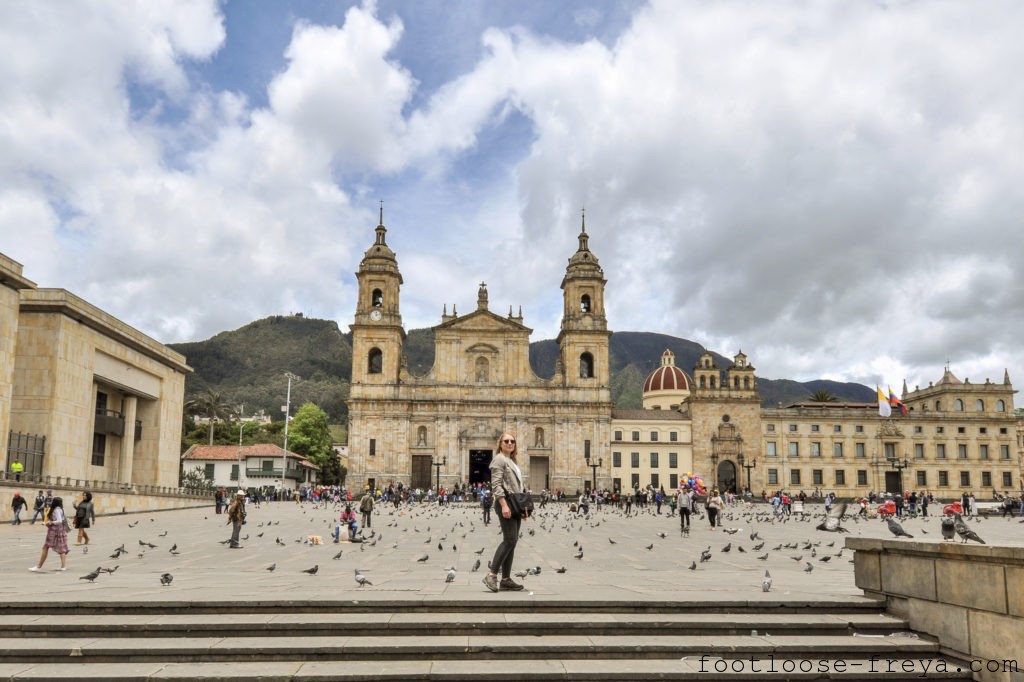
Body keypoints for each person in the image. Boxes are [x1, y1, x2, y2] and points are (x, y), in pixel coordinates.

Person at [483, 432, 527, 592]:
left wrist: (522, 507)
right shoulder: (499, 459)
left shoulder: (511, 461)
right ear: (500, 443)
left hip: (515, 504)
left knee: (513, 541)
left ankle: (506, 579)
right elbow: (496, 485)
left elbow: (517, 485)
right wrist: (504, 505)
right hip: (506, 504)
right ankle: (492, 574)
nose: (510, 443)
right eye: (506, 441)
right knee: (509, 539)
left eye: (512, 441)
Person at [30, 497, 69, 571]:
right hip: (60, 530)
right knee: (61, 548)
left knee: (45, 547)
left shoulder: (56, 510)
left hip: (54, 530)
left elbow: (59, 521)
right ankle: (63, 567)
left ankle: (38, 566)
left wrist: (50, 522)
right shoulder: (61, 509)